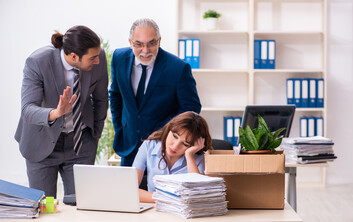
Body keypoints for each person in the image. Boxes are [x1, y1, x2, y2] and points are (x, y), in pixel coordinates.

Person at [14, 25, 109, 199]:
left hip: (81, 144)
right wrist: (56, 113)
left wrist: (96, 133)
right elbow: (27, 110)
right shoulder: (37, 62)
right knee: (41, 212)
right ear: (73, 56)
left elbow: (102, 98)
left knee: (81, 209)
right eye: (92, 58)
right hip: (41, 142)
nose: (97, 61)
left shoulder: (98, 57)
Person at [109, 18, 201, 168]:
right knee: (129, 191)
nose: (145, 51)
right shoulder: (119, 58)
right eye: (139, 44)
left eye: (151, 43)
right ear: (130, 42)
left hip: (162, 150)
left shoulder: (178, 68)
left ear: (159, 41)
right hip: (129, 146)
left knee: (158, 191)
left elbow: (191, 109)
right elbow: (115, 96)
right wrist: (120, 128)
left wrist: (168, 137)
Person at [132, 111, 212, 203]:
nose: (175, 146)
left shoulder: (198, 158)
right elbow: (131, 189)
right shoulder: (148, 146)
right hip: (154, 209)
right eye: (175, 136)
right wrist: (167, 198)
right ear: (169, 128)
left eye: (185, 144)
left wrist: (189, 156)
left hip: (184, 213)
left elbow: (199, 194)